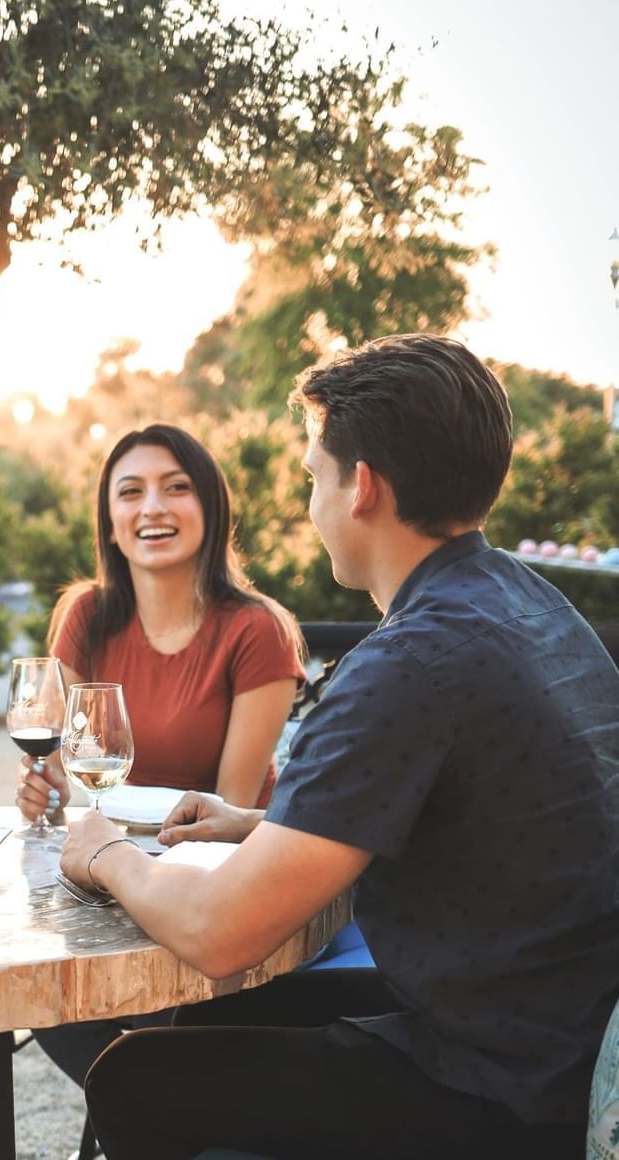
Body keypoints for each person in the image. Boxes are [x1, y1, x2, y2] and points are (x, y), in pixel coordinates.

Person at [62, 335, 619, 1160]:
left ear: (361, 487)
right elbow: (480, 813)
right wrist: (255, 822)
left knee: (134, 1076)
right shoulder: (525, 602)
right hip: (561, 1028)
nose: (309, 501)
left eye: (313, 476)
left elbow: (220, 932)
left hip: (503, 1086)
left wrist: (105, 851)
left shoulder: (408, 662)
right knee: (216, 1015)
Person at [17, 423, 305, 1087]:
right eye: (130, 492)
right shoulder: (85, 615)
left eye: (175, 488)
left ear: (209, 509)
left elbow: (228, 814)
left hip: (213, 896)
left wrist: (118, 859)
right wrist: (40, 788)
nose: (152, 507)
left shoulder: (255, 630)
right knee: (46, 992)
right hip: (102, 884)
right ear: (111, 524)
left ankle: (161, 1112)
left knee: (151, 1042)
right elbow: (63, 772)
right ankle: (158, 1114)